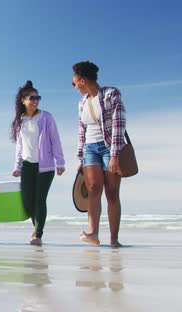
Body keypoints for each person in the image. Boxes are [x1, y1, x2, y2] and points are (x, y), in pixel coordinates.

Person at [72, 61, 126, 248]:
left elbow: (119, 124)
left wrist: (114, 154)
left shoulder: (111, 94)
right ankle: (94, 233)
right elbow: (81, 130)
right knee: (94, 188)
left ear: (83, 80)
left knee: (112, 193)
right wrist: (80, 157)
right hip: (90, 149)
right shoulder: (82, 103)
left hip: (109, 148)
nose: (75, 86)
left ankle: (114, 239)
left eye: (74, 83)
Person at [11, 80, 65, 246]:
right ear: (23, 100)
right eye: (32, 98)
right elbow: (19, 146)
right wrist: (17, 166)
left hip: (45, 166)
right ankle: (36, 228)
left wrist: (60, 162)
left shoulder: (46, 117)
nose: (35, 101)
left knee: (39, 200)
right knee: (28, 202)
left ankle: (38, 234)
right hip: (28, 165)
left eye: (37, 98)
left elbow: (55, 139)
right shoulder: (20, 120)